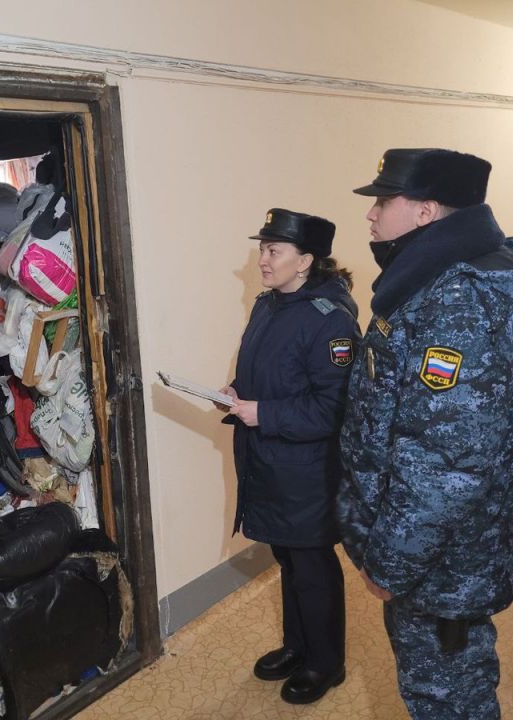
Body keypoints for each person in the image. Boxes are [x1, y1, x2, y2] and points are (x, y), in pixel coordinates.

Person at [338, 148, 513, 719]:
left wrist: (389, 563)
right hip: (435, 554)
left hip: (444, 564)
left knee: (448, 698)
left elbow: (446, 465)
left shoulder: (459, 300)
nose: (371, 214)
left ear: (426, 211)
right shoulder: (432, 280)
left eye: (383, 201)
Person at [219, 208, 359, 705]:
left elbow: (334, 408)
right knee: (289, 559)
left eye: (273, 250)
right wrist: (235, 391)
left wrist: (264, 413)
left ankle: (326, 663)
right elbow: (270, 372)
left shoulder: (331, 320)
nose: (262, 259)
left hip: (307, 470)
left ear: (305, 261)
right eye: (262, 248)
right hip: (269, 460)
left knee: (312, 565)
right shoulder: (269, 305)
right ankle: (298, 648)